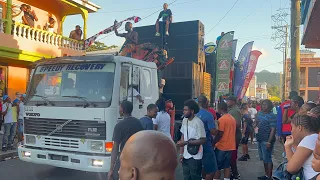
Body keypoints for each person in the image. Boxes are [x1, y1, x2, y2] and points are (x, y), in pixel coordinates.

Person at [107, 101, 143, 180]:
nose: (119, 109)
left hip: (124, 160)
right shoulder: (138, 123)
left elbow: (115, 148)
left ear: (122, 110)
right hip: (137, 159)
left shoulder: (119, 126)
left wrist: (111, 170)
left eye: (120, 107)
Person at [177, 99, 206, 180]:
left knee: (195, 177)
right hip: (185, 156)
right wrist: (181, 154)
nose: (183, 112)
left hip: (195, 156)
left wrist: (186, 143)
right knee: (186, 177)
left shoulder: (198, 122)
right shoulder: (184, 120)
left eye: (185, 110)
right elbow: (183, 135)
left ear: (192, 111)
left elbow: (203, 140)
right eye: (183, 110)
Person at [285, 115, 320, 180]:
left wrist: (287, 147)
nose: (291, 131)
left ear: (299, 128)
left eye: (292, 127)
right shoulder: (315, 137)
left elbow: (291, 168)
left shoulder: (308, 140)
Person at [212, 102, 236, 180]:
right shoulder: (232, 118)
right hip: (231, 146)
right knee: (227, 166)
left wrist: (213, 143)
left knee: (217, 167)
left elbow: (220, 134)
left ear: (220, 109)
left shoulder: (222, 119)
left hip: (222, 146)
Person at [197, 95, 218, 180]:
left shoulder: (193, 114)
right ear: (207, 103)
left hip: (194, 144)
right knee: (212, 170)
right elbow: (213, 131)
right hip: (206, 144)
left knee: (201, 166)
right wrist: (217, 127)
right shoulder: (208, 115)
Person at [256, 99, 277, 180]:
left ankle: (269, 176)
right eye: (262, 104)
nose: (263, 106)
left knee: (267, 158)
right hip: (259, 139)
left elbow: (273, 130)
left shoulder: (272, 116)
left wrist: (269, 141)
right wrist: (255, 124)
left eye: (265, 105)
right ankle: (266, 175)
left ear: (270, 106)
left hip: (266, 140)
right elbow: (256, 124)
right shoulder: (259, 113)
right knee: (264, 158)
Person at [225, 95, 242, 180]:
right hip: (232, 135)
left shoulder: (234, 111)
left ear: (233, 102)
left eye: (228, 101)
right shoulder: (232, 110)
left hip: (234, 136)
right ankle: (233, 173)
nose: (227, 102)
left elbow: (238, 124)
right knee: (230, 156)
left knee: (232, 156)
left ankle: (235, 174)